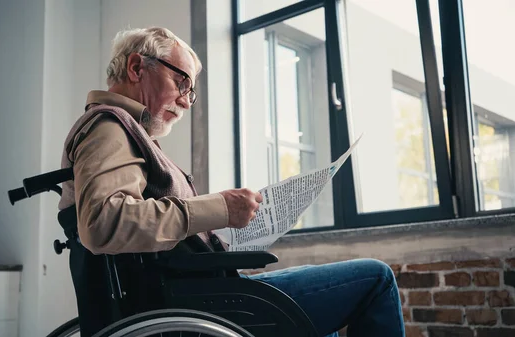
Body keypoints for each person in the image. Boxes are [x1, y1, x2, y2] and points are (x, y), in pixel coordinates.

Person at [58, 27, 405, 337]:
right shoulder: (109, 127)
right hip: (196, 304)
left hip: (197, 293)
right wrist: (221, 208)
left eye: (190, 92)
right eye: (182, 82)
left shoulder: (125, 133)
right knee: (376, 278)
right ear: (137, 68)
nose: (185, 100)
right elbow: (104, 222)